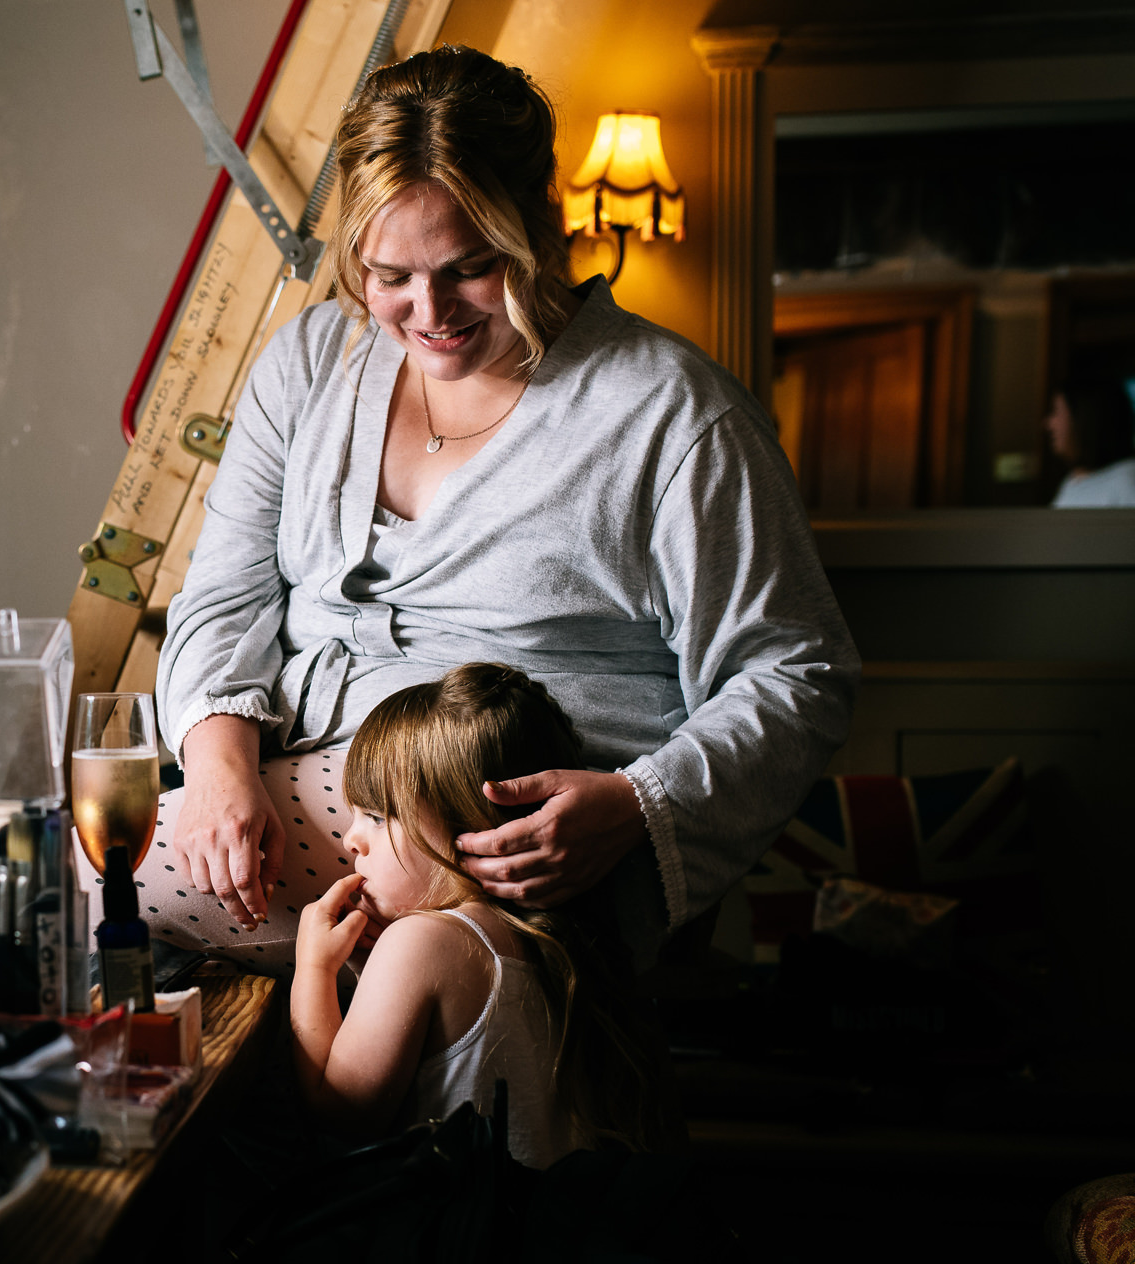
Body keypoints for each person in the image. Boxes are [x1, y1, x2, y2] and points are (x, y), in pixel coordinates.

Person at [143, 46, 859, 972]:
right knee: (46, 901)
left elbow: (797, 674)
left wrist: (642, 806)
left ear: (540, 226)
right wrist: (215, 765)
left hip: (513, 844)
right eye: (389, 274)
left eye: (471, 267)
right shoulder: (308, 365)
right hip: (292, 776)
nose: (428, 310)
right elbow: (221, 599)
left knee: (85, 899)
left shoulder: (673, 411)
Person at [291, 664, 667, 1164]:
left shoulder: (419, 942)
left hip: (451, 1234)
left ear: (475, 825)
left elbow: (343, 1111)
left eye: (379, 817)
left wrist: (312, 970)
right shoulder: (556, 939)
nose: (350, 839)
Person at [1048, 378, 1135, 508]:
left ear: (1084, 419)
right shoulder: (1073, 480)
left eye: (1056, 412)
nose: (1050, 424)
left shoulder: (1126, 481)